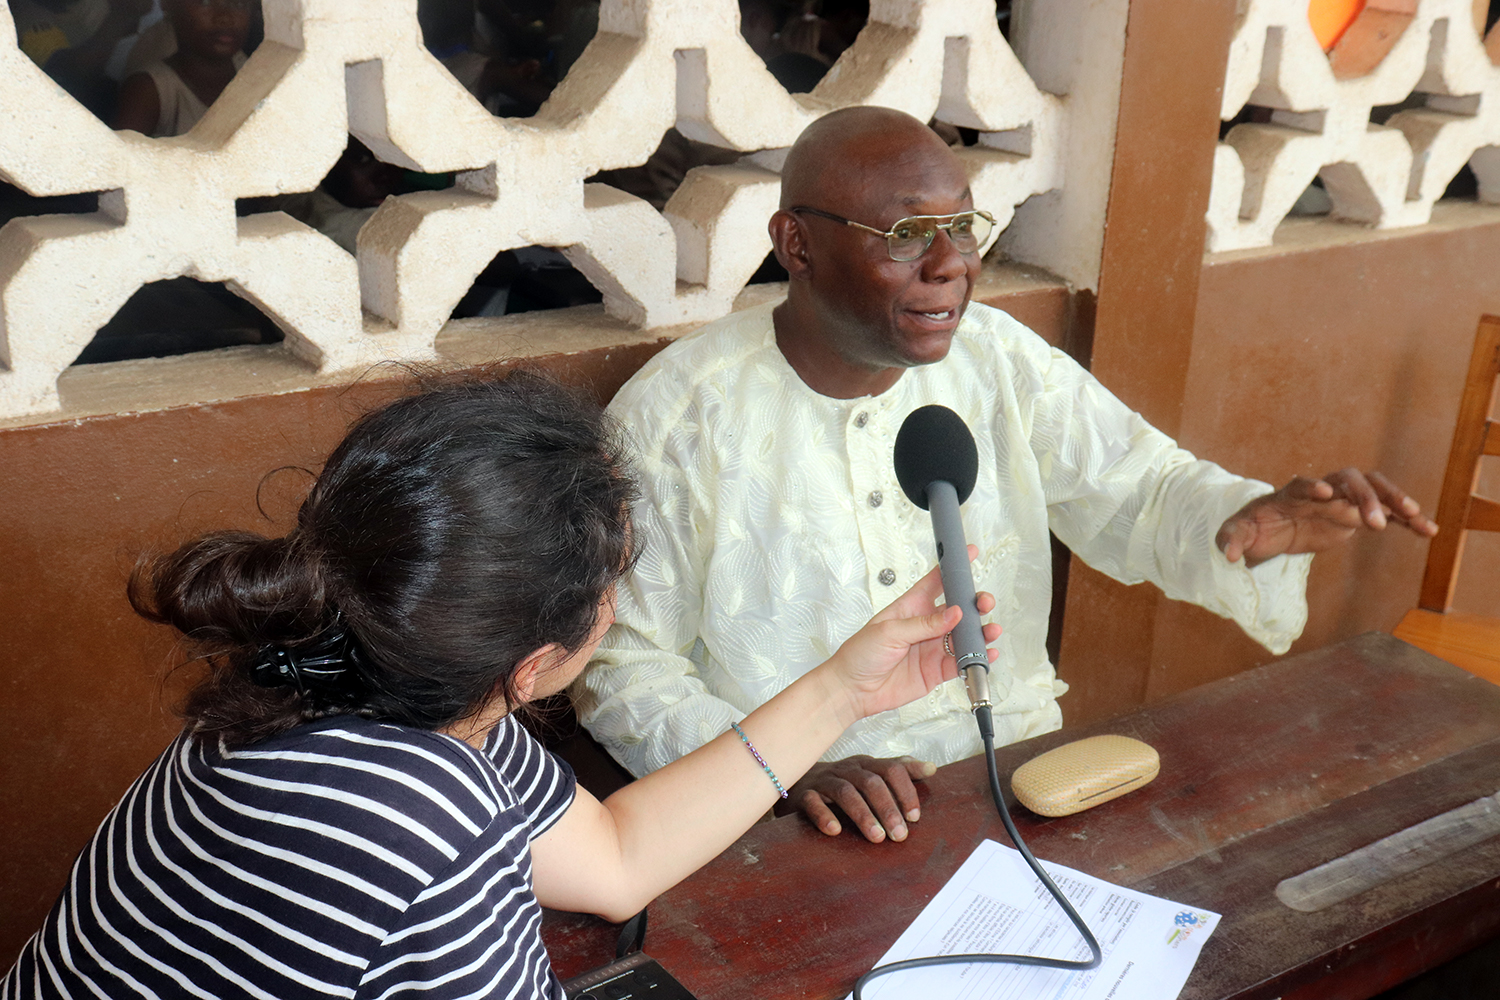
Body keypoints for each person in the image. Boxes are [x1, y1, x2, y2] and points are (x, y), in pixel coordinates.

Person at [574, 106, 1439, 846]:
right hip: (810, 829)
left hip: (1024, 784)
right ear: (796, 244)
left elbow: (1140, 487)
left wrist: (1245, 520)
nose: (950, 263)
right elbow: (624, 666)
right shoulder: (679, 416)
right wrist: (782, 771)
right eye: (908, 235)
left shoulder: (998, 359)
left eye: (962, 226)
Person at [2, 368, 990, 1000]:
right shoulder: (427, 815)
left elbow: (610, 859)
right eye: (613, 586)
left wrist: (840, 690)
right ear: (532, 666)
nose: (615, 607)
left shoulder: (337, 666)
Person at [112, 0, 250, 137]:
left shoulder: (254, 71)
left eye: (238, 3)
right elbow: (117, 157)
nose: (225, 18)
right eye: (205, 2)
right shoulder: (149, 91)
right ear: (168, 4)